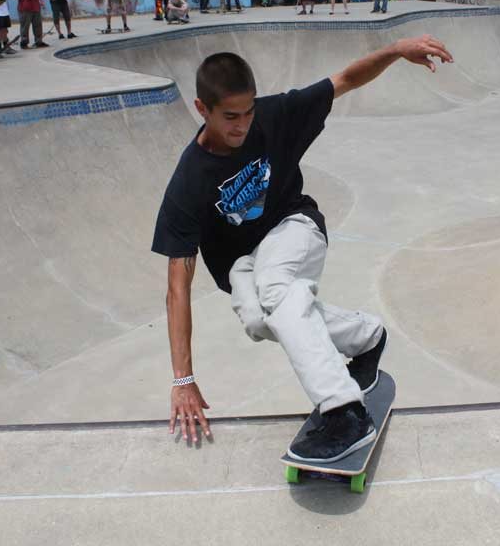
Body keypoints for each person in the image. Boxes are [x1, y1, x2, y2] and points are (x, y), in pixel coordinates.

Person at [153, 35, 454, 457]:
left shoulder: (275, 115)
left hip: (295, 226)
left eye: (249, 111)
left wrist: (395, 51)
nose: (242, 126)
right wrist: (182, 379)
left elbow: (346, 79)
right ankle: (366, 337)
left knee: (277, 291)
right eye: (230, 117)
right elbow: (177, 287)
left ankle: (344, 412)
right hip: (242, 264)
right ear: (202, 110)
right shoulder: (188, 182)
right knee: (260, 320)